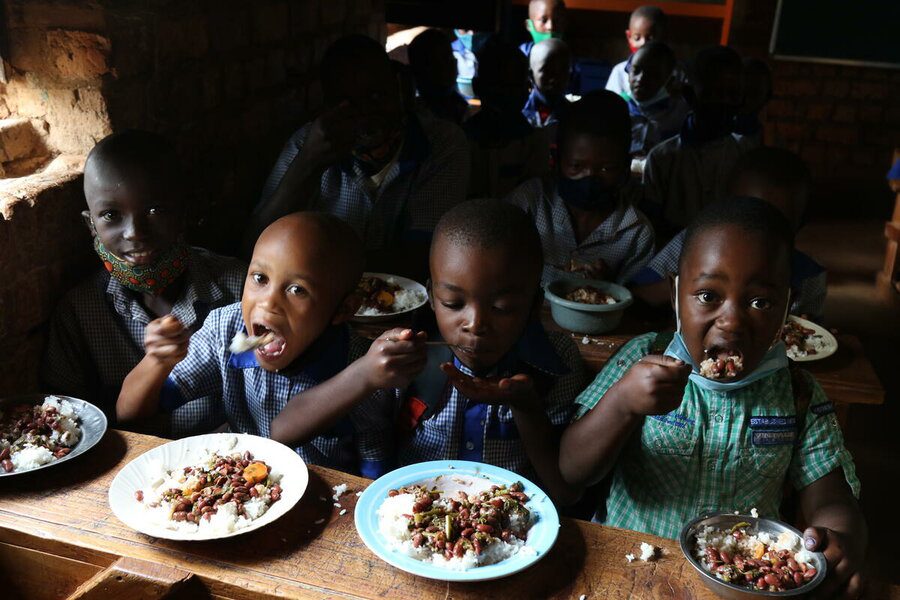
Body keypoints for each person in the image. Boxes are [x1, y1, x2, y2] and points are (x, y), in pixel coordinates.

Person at [560, 198, 866, 598]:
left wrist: (837, 538)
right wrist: (623, 403)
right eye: (707, 296)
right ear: (676, 294)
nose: (733, 320)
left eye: (761, 302)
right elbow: (571, 470)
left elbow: (830, 495)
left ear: (786, 308)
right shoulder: (640, 361)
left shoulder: (798, 393)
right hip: (631, 570)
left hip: (742, 585)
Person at [117, 213, 415, 477]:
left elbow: (374, 467)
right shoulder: (225, 331)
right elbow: (130, 416)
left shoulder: (365, 366)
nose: (269, 301)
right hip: (239, 492)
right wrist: (156, 361)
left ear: (343, 310)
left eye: (297, 290)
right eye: (259, 278)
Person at [43, 130, 245, 437]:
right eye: (111, 215)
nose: (135, 232)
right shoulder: (79, 312)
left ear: (184, 211)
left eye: (155, 210)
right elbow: (64, 425)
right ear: (91, 225)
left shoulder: (239, 288)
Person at [396, 200, 586, 505]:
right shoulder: (409, 355)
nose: (476, 325)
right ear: (432, 296)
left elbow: (563, 490)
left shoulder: (556, 363)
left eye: (502, 308)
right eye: (453, 303)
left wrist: (524, 405)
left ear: (534, 305)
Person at [250, 34, 469, 279]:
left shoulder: (440, 144)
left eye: (376, 97)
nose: (365, 114)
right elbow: (255, 245)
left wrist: (315, 263)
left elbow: (423, 257)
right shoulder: (307, 145)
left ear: (399, 89)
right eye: (347, 105)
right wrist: (307, 164)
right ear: (327, 107)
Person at [632, 147, 827, 322]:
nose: (758, 234)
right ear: (723, 205)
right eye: (746, 215)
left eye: (777, 224)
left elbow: (811, 333)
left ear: (799, 225)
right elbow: (639, 295)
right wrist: (690, 286)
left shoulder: (808, 277)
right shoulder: (693, 243)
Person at [507, 91, 654, 286]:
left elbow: (633, 303)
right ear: (557, 161)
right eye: (576, 167)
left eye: (606, 168)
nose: (589, 178)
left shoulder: (635, 233)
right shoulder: (530, 201)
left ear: (625, 167)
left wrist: (609, 287)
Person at [641, 45, 746, 241]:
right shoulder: (662, 158)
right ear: (690, 95)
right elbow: (651, 227)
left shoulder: (746, 156)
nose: (723, 103)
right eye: (712, 93)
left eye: (732, 95)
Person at [464, 37, 551, 199]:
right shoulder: (461, 141)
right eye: (498, 86)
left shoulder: (533, 143)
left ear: (527, 88)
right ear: (478, 86)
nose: (506, 95)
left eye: (515, 86)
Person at [626, 41, 689, 159]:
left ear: (669, 80)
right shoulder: (618, 111)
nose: (640, 79)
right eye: (636, 70)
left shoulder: (680, 115)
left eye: (653, 74)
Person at [605, 6, 667, 102]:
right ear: (629, 36)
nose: (643, 43)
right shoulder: (620, 72)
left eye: (650, 38)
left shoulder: (672, 71)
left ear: (663, 37)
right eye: (637, 38)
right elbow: (610, 105)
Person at [408, 28, 468, 125]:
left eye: (450, 57)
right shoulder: (420, 120)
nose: (453, 63)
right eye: (443, 59)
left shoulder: (459, 107)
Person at [522, 38, 571, 129]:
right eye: (547, 70)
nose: (556, 77)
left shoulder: (574, 114)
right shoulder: (519, 112)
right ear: (531, 74)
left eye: (563, 70)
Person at [734, 57, 773, 150]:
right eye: (740, 92)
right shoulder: (714, 139)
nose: (746, 100)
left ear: (767, 97)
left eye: (754, 94)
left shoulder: (770, 142)